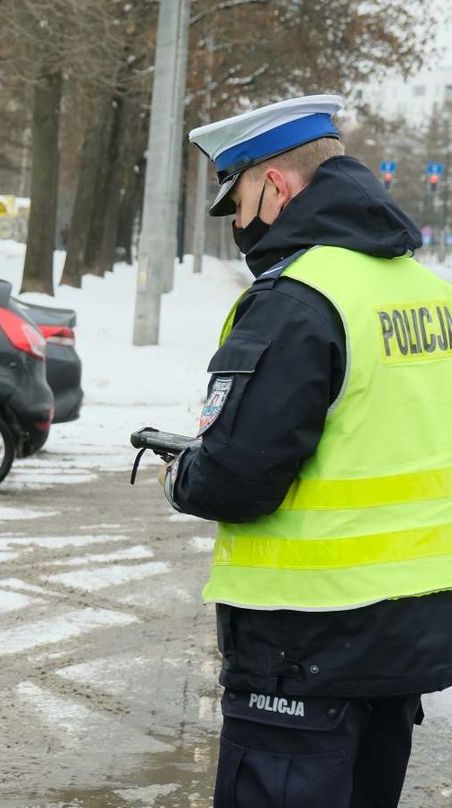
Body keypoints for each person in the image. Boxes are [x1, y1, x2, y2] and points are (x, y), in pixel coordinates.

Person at [164, 94, 452, 806]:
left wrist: (182, 474)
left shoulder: (297, 298)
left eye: (238, 200)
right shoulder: (430, 294)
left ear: (279, 186)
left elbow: (233, 480)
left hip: (301, 645)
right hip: (405, 636)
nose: (236, 221)